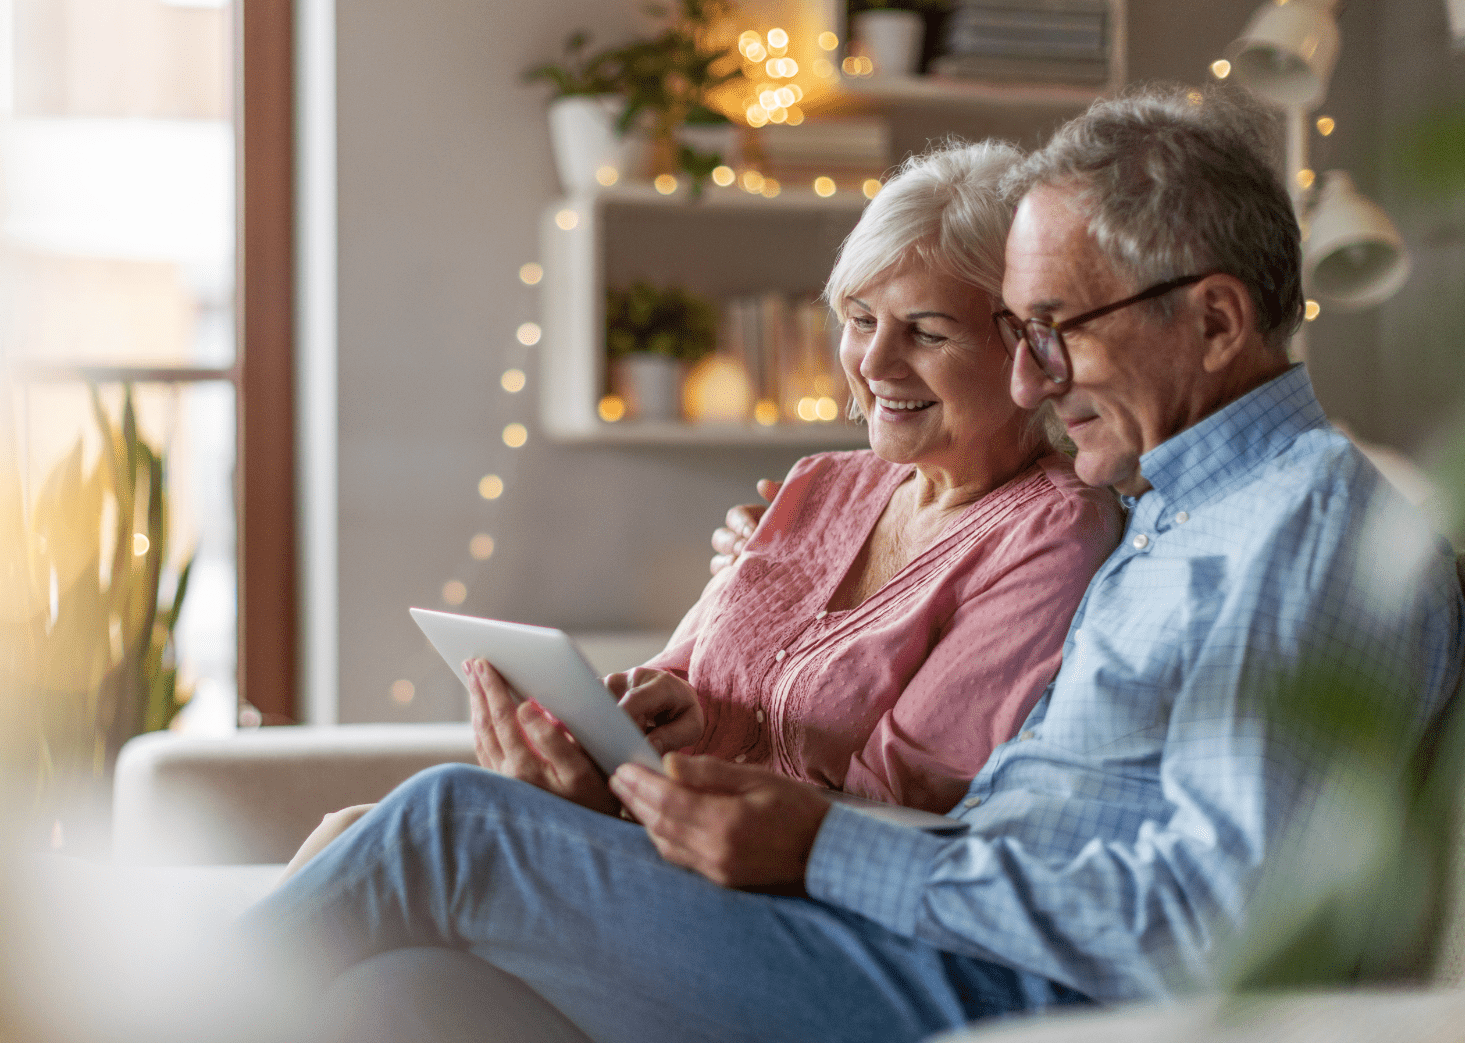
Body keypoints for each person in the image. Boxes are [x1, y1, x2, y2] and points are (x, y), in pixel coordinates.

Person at [243, 85, 1465, 1043]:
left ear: (1213, 321)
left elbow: (1215, 935)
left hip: (1018, 1013)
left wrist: (831, 852)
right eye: (1022, 334)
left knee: (453, 827)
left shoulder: (1303, 534)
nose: (1034, 384)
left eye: (1054, 332)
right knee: (407, 1004)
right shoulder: (1180, 516)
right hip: (928, 953)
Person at [278, 140, 1123, 882]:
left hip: (778, 901)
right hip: (661, 840)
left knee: (411, 823)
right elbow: (686, 680)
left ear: (1028, 350)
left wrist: (626, 798)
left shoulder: (1053, 529)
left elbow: (901, 802)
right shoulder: (822, 482)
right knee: (361, 851)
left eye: (927, 333)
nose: (872, 362)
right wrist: (653, 716)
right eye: (859, 319)